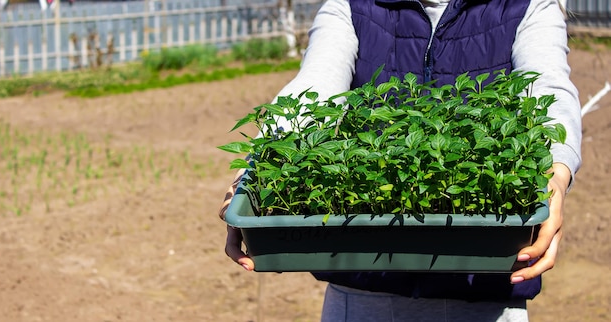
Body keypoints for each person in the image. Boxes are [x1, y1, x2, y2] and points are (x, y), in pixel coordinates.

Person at [218, 0, 582, 321]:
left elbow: (549, 92)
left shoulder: (525, 5)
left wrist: (557, 173)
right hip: (362, 292)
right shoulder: (355, 5)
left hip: (485, 297)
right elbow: (314, 89)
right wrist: (257, 171)